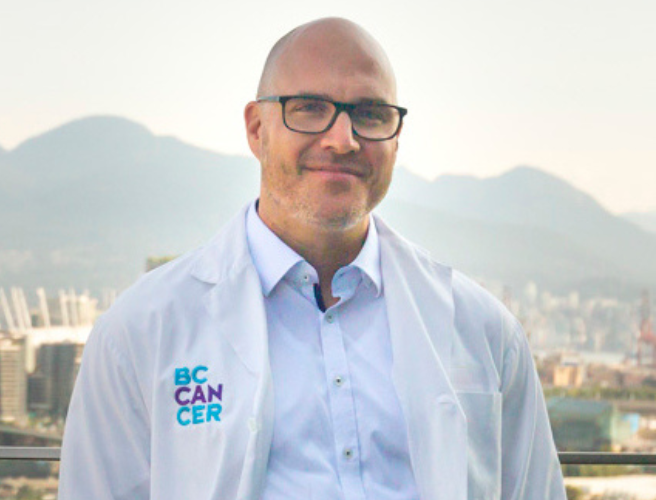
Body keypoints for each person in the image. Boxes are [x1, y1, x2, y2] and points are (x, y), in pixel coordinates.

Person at [58, 17, 566, 500]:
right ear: (257, 129)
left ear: (396, 139)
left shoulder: (484, 332)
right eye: (309, 108)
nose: (343, 140)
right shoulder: (140, 331)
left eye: (370, 114)